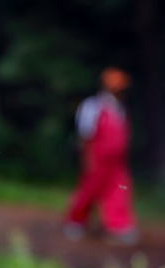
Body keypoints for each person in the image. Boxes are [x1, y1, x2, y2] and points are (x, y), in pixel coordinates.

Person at [64, 67, 138, 244]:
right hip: (97, 159)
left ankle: (120, 226)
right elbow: (85, 134)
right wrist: (86, 158)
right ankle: (76, 222)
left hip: (116, 162)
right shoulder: (92, 106)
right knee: (89, 190)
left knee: (120, 189)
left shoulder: (119, 108)